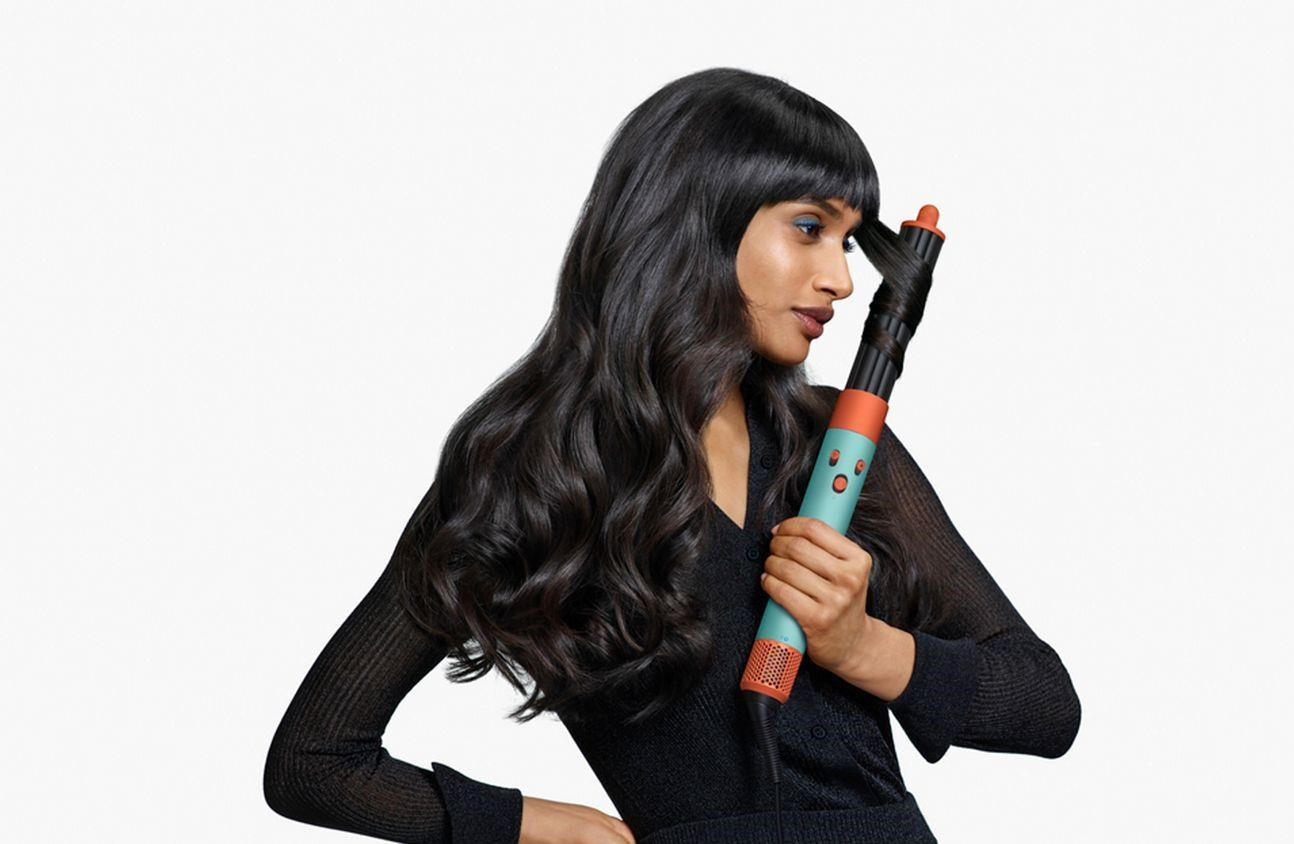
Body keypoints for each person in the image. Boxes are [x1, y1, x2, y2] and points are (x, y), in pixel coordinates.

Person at [263, 66, 1081, 844]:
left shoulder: (833, 444)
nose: (841, 278)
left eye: (847, 242)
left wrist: (863, 645)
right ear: (696, 219)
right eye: (809, 229)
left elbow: (1046, 706)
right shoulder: (529, 477)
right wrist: (520, 823)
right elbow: (313, 762)